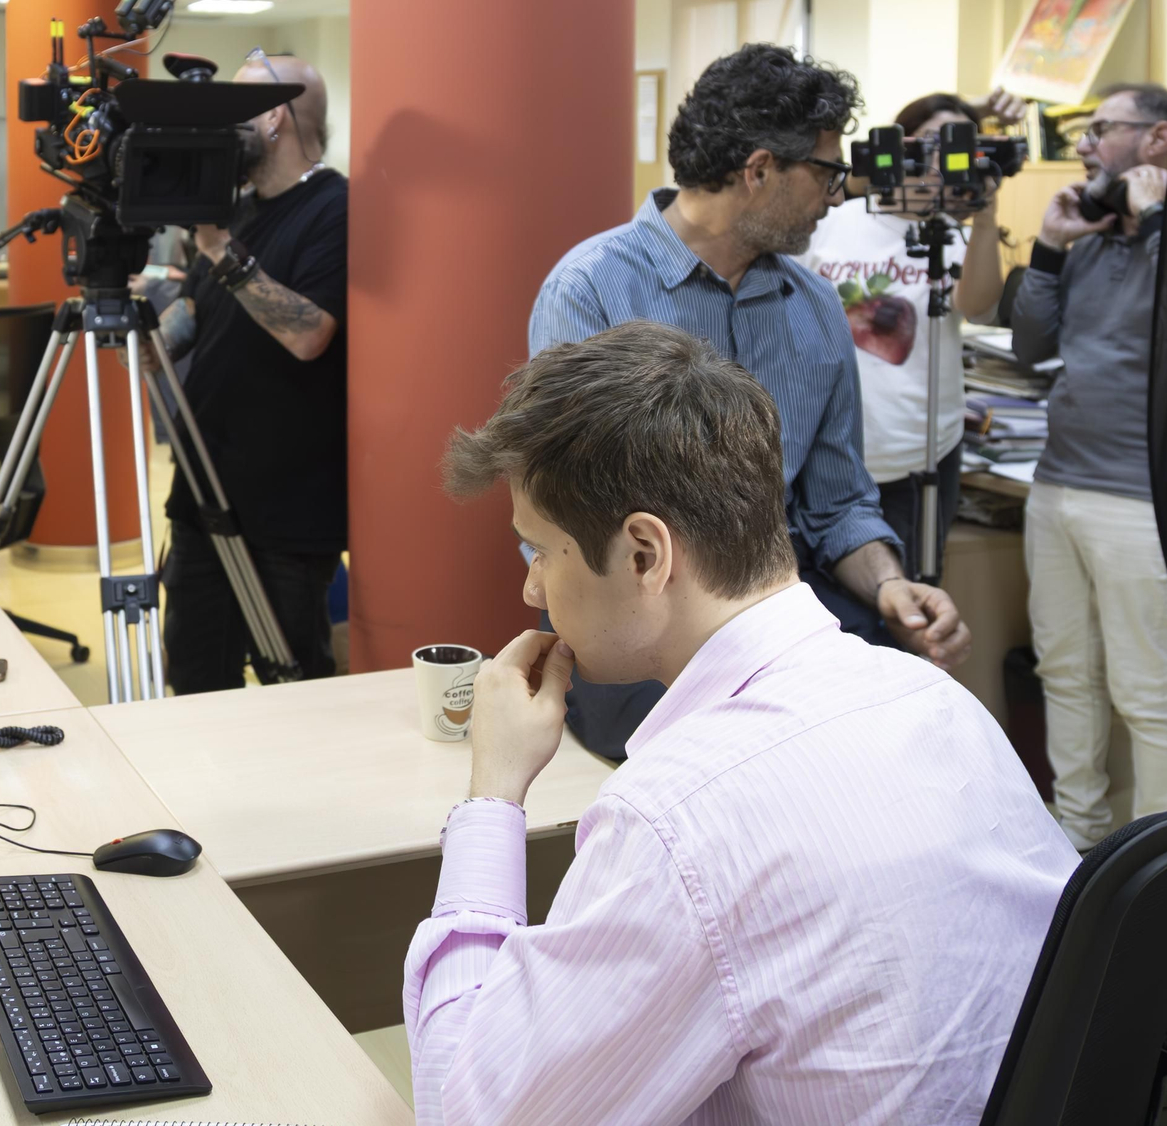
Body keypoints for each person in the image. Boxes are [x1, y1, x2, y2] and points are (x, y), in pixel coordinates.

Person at [404, 322, 1078, 1125]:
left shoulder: (677, 821)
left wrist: (493, 796)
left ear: (646, 554)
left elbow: (465, 1107)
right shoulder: (936, 701)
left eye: (539, 553)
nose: (531, 592)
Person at [529, 43, 971, 759]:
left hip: (782, 616)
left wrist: (892, 586)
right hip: (641, 623)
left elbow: (837, 504)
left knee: (897, 734)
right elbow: (565, 523)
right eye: (827, 172)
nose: (838, 195)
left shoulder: (816, 305)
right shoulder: (593, 291)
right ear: (759, 170)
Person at [1011, 82, 1167, 851]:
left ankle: (1164, 862)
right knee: (1064, 671)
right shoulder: (1094, 242)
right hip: (1056, 485)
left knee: (1145, 691)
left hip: (1139, 499)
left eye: (1100, 130)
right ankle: (1078, 838)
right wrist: (1050, 247)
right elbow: (1028, 347)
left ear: (1155, 141)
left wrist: (1156, 218)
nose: (1081, 143)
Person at [151, 52, 347, 692]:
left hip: (286, 507)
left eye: (234, 108)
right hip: (204, 490)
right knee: (195, 677)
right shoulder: (234, 211)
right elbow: (201, 315)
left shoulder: (335, 208)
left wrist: (218, 252)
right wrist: (150, 333)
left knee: (292, 685)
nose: (217, 125)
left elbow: (309, 333)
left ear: (275, 118)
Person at [802, 88, 1024, 555]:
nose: (933, 162)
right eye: (924, 144)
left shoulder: (956, 235)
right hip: (831, 448)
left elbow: (980, 307)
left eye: (952, 148)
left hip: (923, 450)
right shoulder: (833, 221)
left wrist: (983, 219)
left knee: (915, 592)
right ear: (897, 146)